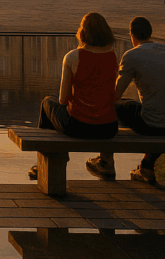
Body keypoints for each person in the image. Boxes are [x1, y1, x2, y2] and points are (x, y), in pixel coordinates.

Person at [87, 17, 165, 183]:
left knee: (110, 106)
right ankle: (146, 166)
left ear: (131, 35)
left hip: (155, 124)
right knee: (157, 109)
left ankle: (105, 161)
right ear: (150, 34)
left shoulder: (132, 55)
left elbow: (115, 95)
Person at [29, 12, 120, 180]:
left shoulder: (73, 56)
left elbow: (63, 100)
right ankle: (107, 162)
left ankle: (48, 160)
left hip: (79, 125)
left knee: (47, 102)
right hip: (108, 127)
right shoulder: (112, 56)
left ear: (83, 33)